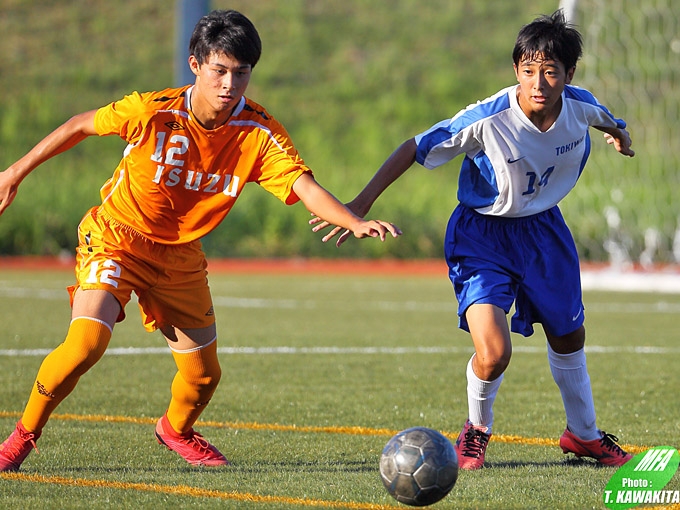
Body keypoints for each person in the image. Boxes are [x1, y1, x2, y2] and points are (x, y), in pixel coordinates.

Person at [0, 9, 401, 472]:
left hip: (180, 257)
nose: (230, 84)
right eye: (220, 71)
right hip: (117, 237)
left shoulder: (259, 131)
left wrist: (350, 221)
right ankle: (22, 436)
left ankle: (176, 430)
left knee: (203, 377)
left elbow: (303, 186)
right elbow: (78, 125)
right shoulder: (152, 110)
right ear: (196, 65)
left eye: (242, 72)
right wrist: (13, 174)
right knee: (86, 341)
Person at [312, 10, 635, 470]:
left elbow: (609, 121)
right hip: (483, 236)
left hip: (545, 230)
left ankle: (582, 435)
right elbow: (415, 146)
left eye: (550, 72)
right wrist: (359, 205)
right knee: (495, 353)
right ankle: (476, 430)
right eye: (527, 71)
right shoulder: (488, 118)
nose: (538, 82)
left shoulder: (581, 105)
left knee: (569, 336)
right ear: (516, 71)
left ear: (569, 74)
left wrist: (620, 137)